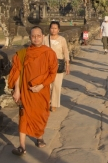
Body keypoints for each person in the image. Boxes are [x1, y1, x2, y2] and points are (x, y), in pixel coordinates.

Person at [8, 26, 58, 155]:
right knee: (24, 116)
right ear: (30, 38)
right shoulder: (23, 54)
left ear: (43, 36)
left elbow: (52, 73)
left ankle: (39, 136)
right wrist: (17, 90)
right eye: (33, 36)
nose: (36, 38)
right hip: (26, 90)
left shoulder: (49, 53)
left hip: (42, 90)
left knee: (41, 114)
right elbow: (17, 72)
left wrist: (41, 85)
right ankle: (22, 146)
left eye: (38, 36)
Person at [43, 21, 70, 112]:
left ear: (58, 30)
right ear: (49, 29)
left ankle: (54, 104)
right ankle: (47, 101)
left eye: (55, 28)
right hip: (46, 64)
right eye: (52, 28)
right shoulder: (45, 39)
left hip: (58, 65)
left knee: (57, 85)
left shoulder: (62, 39)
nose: (53, 30)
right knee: (47, 85)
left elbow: (65, 51)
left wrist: (67, 64)